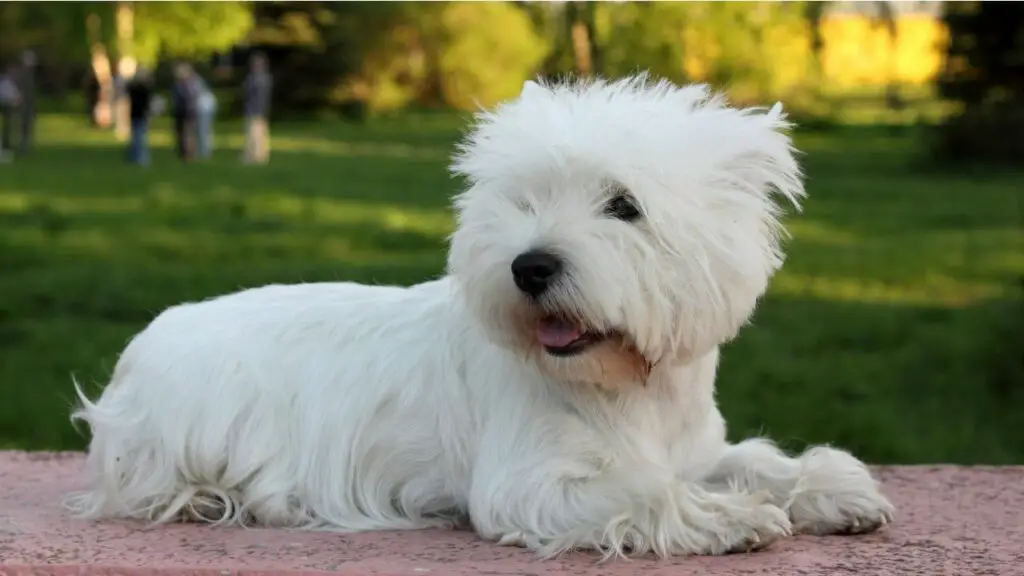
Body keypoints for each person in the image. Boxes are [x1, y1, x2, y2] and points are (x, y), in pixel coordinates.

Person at [241, 52, 272, 165]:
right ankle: (260, 156)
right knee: (258, 134)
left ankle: (253, 156)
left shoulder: (257, 79)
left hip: (255, 110)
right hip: (259, 110)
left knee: (254, 134)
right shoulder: (265, 78)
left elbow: (250, 94)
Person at [126, 68, 154, 166]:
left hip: (139, 115)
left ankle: (138, 158)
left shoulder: (142, 89)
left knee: (138, 138)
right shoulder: (138, 88)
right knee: (138, 138)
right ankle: (138, 158)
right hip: (138, 115)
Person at [170, 63, 198, 162]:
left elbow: (190, 98)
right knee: (181, 133)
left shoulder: (190, 85)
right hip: (180, 112)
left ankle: (189, 153)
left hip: (188, 112)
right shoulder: (178, 85)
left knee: (188, 133)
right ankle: (183, 153)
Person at [15, 50, 37, 155]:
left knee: (27, 125)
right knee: (23, 125)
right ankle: (22, 147)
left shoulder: (29, 74)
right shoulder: (23, 74)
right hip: (23, 104)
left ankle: (24, 146)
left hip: (28, 103)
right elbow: (21, 90)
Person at [192, 71, 217, 159]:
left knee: (204, 131)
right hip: (203, 109)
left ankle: (205, 151)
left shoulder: (197, 83)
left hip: (204, 109)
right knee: (201, 131)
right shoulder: (198, 82)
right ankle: (202, 150)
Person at [0, 62, 21, 163]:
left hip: (10, 106)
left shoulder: (10, 82)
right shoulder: (5, 82)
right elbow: (4, 94)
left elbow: (15, 94)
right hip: (5, 106)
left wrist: (17, 99)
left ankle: (7, 146)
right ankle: (5, 147)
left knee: (9, 127)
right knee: (6, 127)